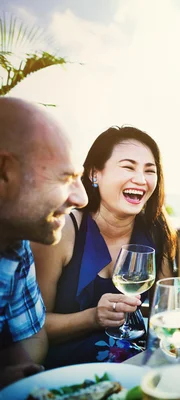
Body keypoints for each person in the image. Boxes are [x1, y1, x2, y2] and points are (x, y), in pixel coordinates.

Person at [31, 126, 176, 368]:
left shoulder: (156, 230)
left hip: (139, 369)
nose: (141, 180)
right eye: (128, 167)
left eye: (150, 171)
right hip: (69, 374)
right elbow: (30, 327)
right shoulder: (63, 230)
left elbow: (168, 310)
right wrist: (92, 318)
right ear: (94, 174)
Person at [0, 98, 88, 387]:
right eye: (67, 178)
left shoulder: (15, 246)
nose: (81, 198)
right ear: (3, 172)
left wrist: (20, 379)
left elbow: (31, 334)